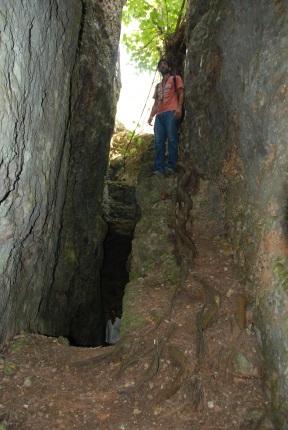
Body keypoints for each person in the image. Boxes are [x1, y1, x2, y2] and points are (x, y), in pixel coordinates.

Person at [148, 58, 184, 176]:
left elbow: (181, 93)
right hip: (159, 116)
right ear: (158, 69)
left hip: (171, 112)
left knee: (172, 139)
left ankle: (171, 166)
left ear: (168, 67)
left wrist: (179, 108)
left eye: (165, 64)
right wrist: (151, 116)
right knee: (159, 142)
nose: (162, 66)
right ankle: (159, 168)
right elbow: (156, 103)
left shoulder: (175, 78)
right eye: (160, 65)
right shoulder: (158, 86)